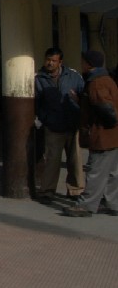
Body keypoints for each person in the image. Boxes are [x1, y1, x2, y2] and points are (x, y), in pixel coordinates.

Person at [63, 50, 118, 217]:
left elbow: (105, 109)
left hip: (102, 134)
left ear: (88, 63)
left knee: (96, 171)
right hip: (113, 135)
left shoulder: (96, 82)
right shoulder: (108, 79)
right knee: (112, 172)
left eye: (83, 61)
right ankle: (113, 203)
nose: (82, 64)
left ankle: (86, 205)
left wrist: (95, 126)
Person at [34, 47, 85, 202]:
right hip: (53, 126)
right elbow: (36, 103)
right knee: (52, 160)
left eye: (53, 60)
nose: (50, 63)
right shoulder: (39, 78)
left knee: (75, 160)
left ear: (60, 62)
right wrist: (45, 118)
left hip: (72, 124)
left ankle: (75, 190)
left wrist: (78, 104)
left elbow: (84, 96)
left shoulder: (74, 76)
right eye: (48, 60)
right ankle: (47, 191)